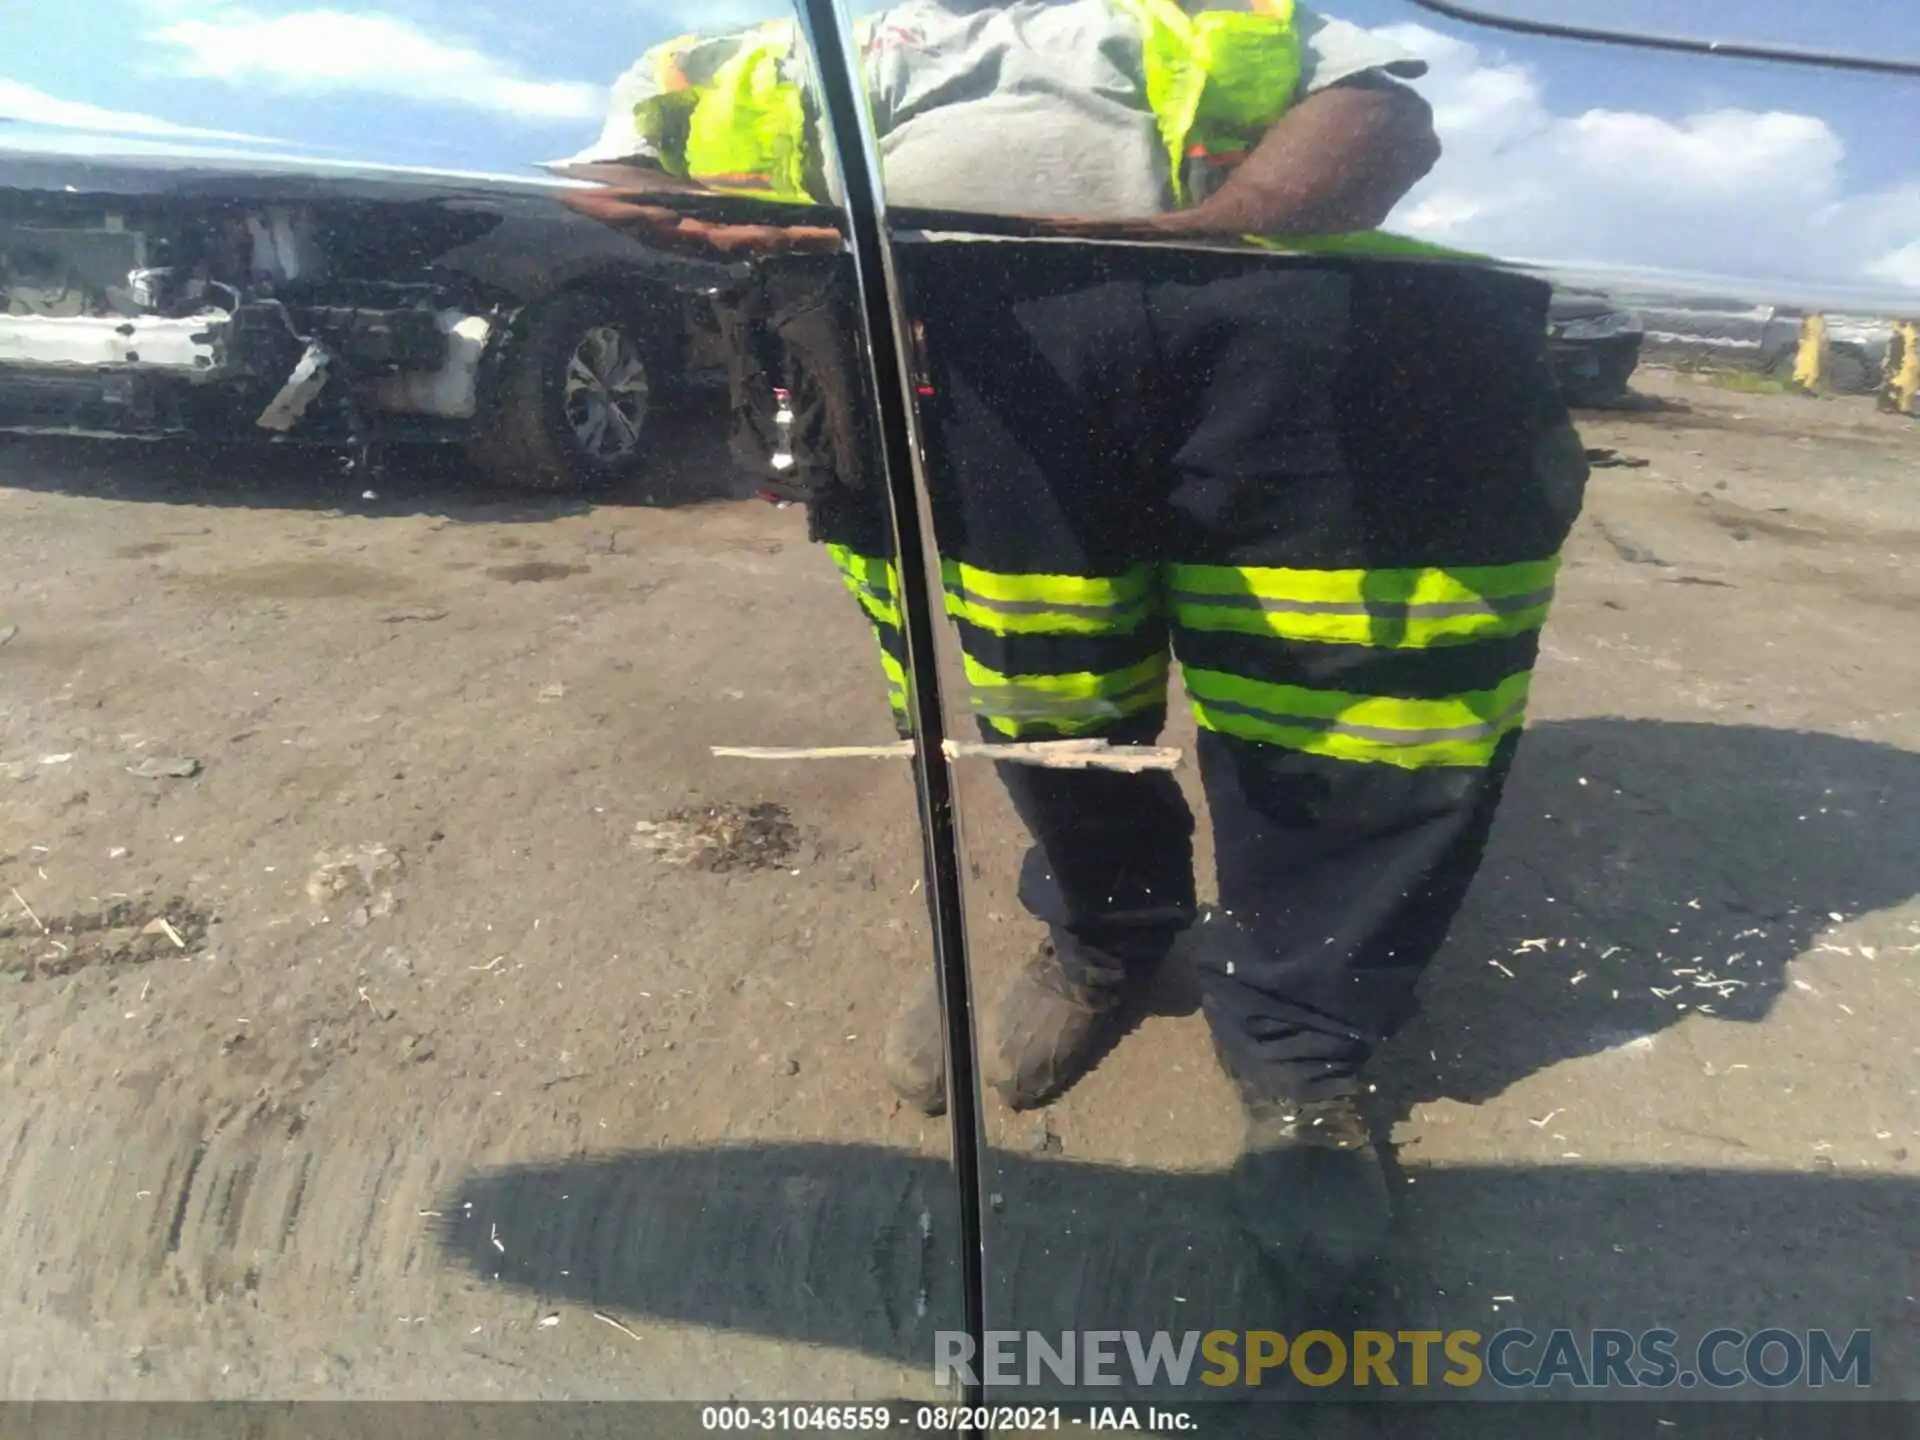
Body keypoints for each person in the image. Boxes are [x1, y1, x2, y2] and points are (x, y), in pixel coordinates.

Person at [559, 0, 1589, 1288]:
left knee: (1347, 704)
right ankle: (1110, 932)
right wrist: (702, 210)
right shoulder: (752, 47)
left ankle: (1305, 1046)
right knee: (1028, 679)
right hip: (936, 352)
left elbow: (1380, 113)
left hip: (1254, 322)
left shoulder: (1204, 12)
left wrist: (1198, 238)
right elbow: (603, 169)